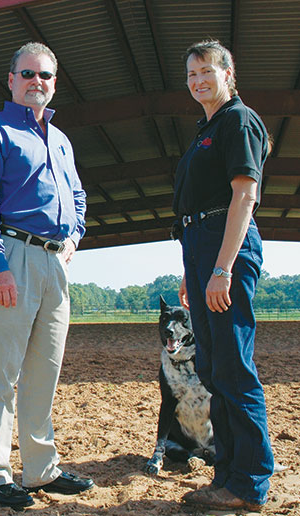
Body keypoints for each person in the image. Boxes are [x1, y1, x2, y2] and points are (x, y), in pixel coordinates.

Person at [0, 42, 92, 510]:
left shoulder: (60, 140)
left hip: (56, 262)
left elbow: (77, 197)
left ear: (55, 83)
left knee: (44, 373)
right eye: (29, 74)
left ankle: (40, 470)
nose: (38, 81)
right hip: (11, 255)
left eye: (47, 76)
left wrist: (73, 240)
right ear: (11, 79)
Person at [173, 40, 274, 512]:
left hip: (223, 245)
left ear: (228, 73)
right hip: (200, 247)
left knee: (234, 367)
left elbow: (244, 197)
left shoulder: (238, 120)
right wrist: (192, 272)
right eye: (191, 74)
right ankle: (228, 476)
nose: (197, 80)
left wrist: (221, 268)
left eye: (206, 70)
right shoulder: (204, 130)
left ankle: (250, 482)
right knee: (214, 369)